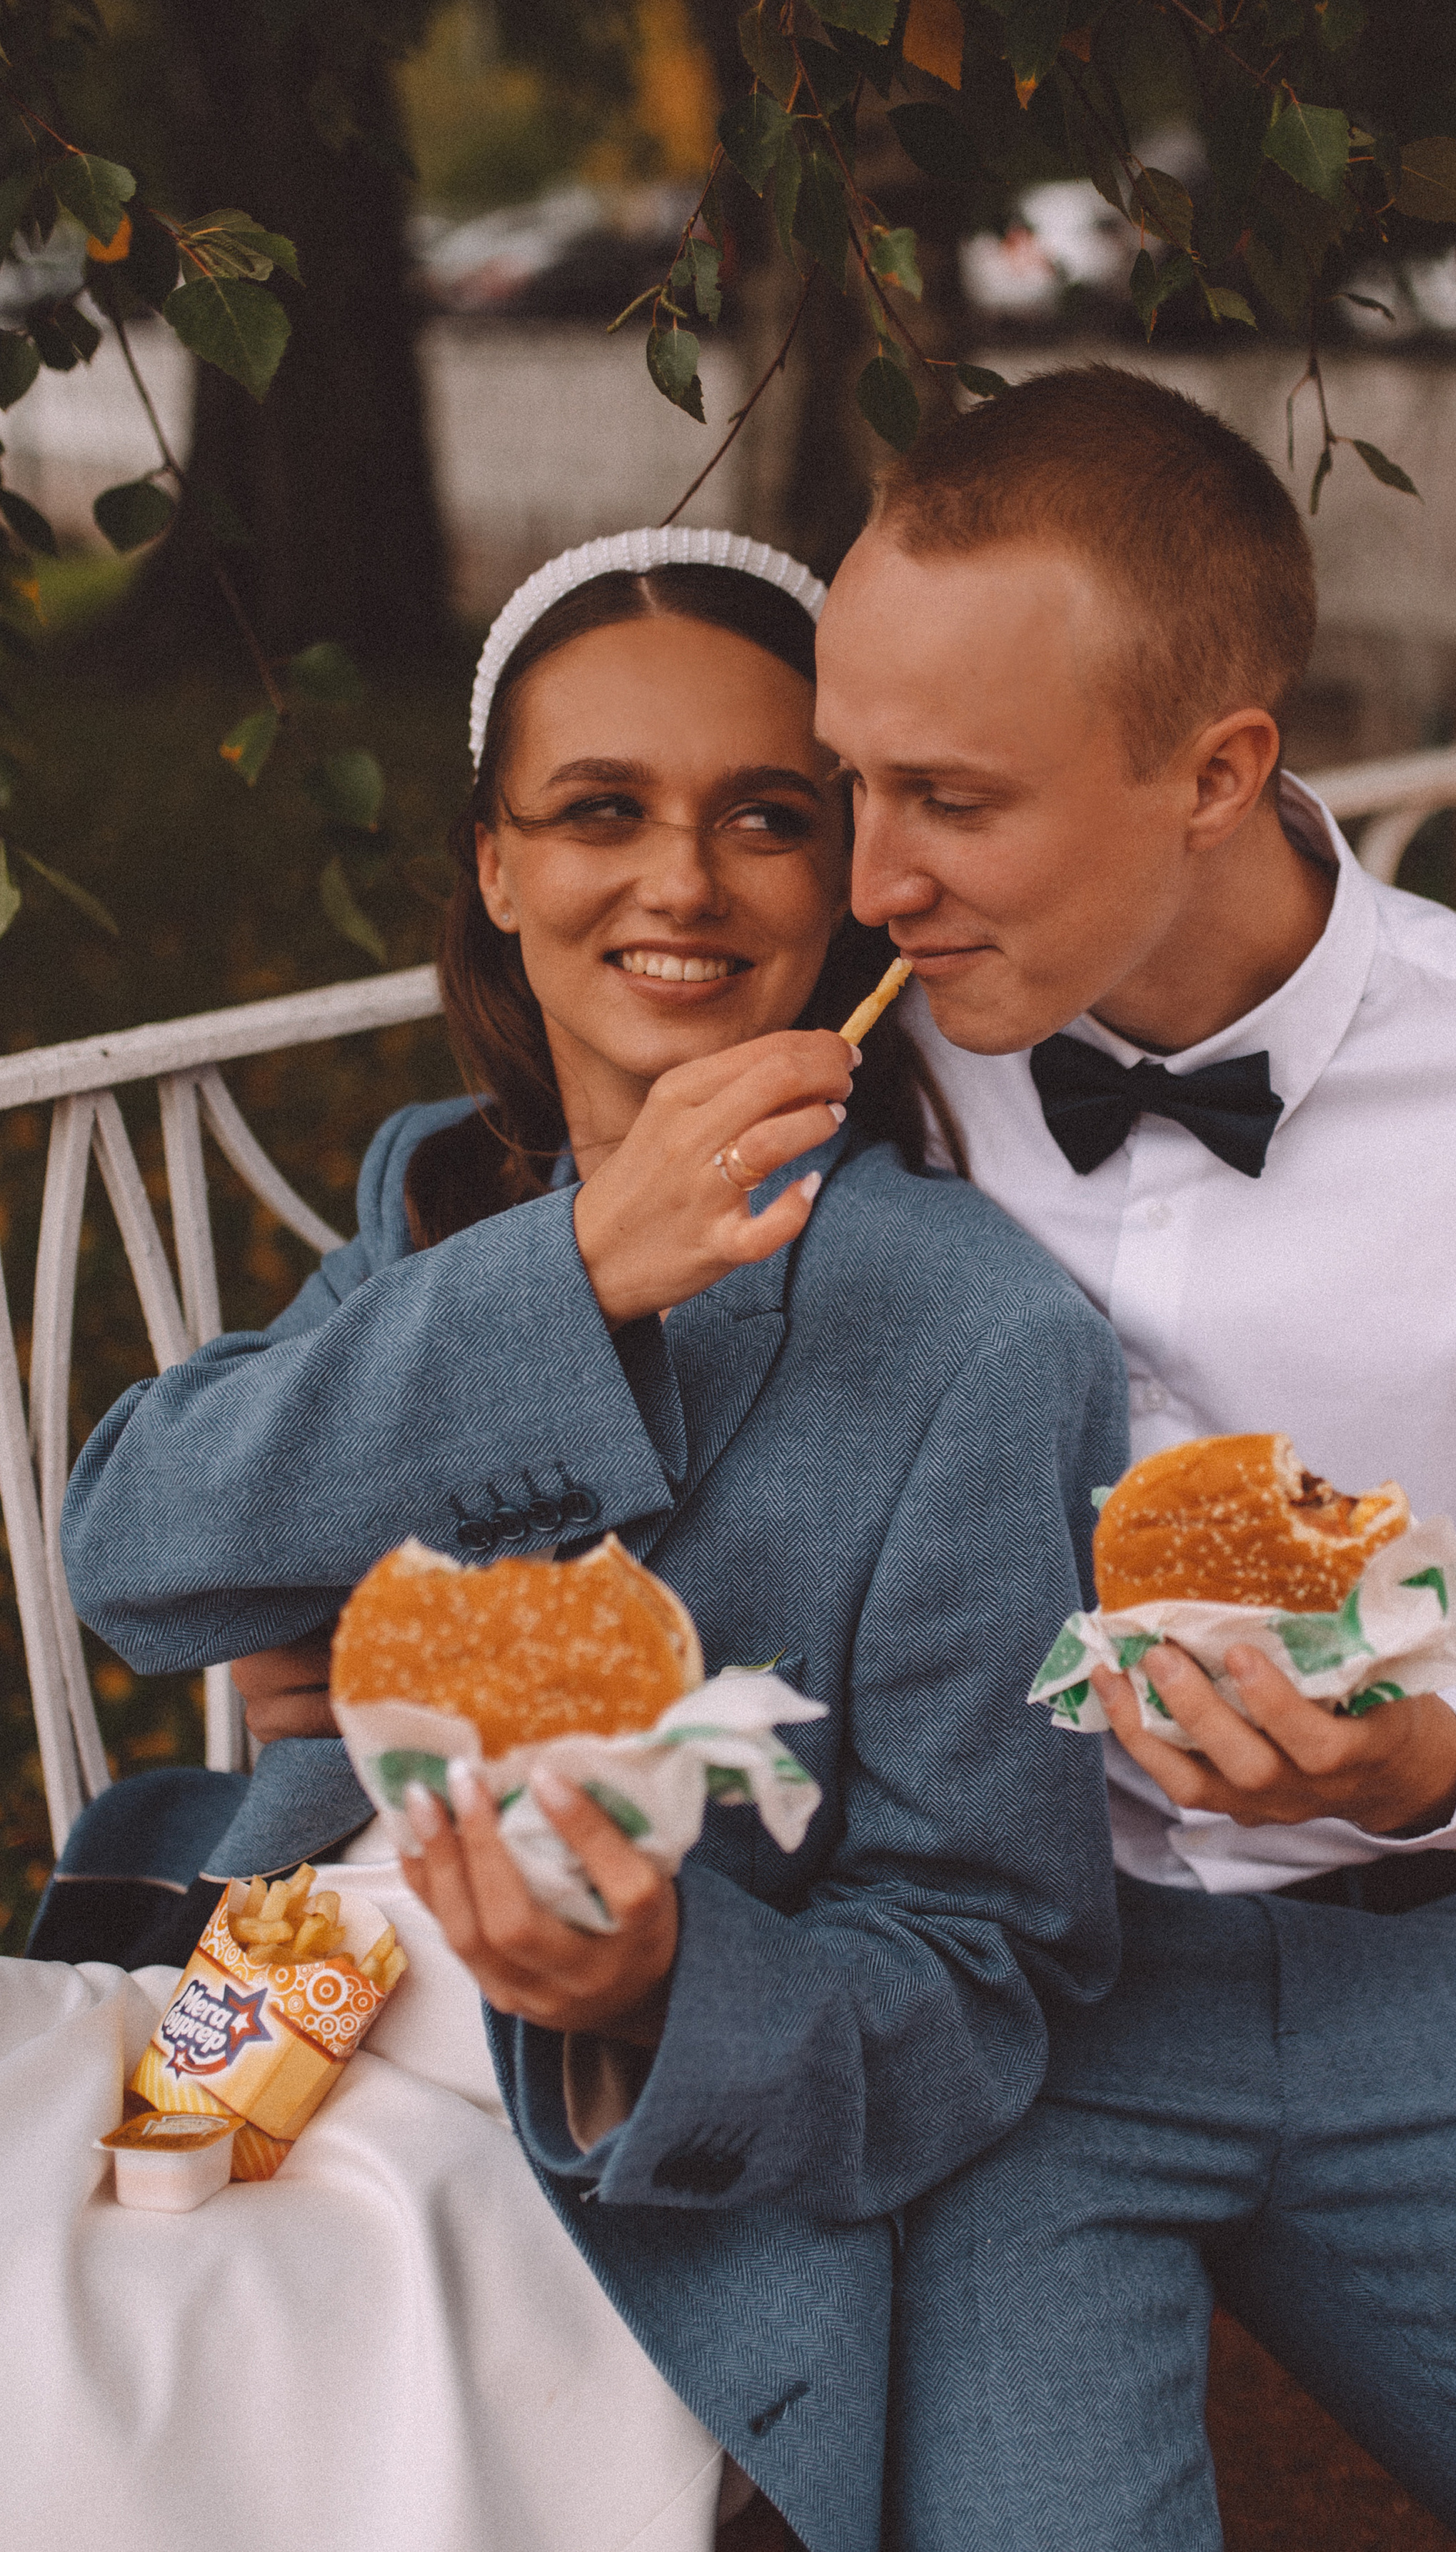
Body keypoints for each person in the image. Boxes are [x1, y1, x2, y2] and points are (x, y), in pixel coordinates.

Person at [811, 369, 1456, 2551]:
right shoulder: (835, 1053)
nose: (873, 872)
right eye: (850, 779)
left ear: (1219, 771)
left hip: (1416, 1959)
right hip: (1007, 2002)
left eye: (955, 800)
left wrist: (1412, 1760)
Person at [36, 526, 1128, 2552]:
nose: (683, 882)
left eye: (766, 817)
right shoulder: (443, 1196)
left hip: (596, 2175)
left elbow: (998, 1972)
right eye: (599, 811)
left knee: (141, 2408)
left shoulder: (984, 1341)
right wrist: (571, 1278)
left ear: (852, 874)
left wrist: (660, 1983)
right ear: (497, 866)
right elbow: (136, 1547)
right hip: (263, 1998)